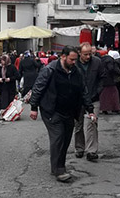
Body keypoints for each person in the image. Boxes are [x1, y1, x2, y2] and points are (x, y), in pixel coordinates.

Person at [30, 47, 95, 182]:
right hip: (52, 111)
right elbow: (38, 87)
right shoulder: (50, 70)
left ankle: (58, 166)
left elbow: (83, 91)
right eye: (71, 59)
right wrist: (33, 107)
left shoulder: (76, 72)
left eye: (75, 60)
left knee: (66, 139)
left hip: (69, 112)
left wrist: (90, 109)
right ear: (63, 56)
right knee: (58, 137)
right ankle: (59, 170)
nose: (74, 62)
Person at [74, 42, 104, 162]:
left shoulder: (97, 62)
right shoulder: (74, 63)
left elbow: (102, 78)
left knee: (92, 123)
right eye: (85, 54)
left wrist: (97, 91)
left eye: (90, 54)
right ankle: (79, 148)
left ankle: (91, 151)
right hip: (78, 99)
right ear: (79, 53)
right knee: (78, 125)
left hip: (93, 98)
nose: (88, 56)